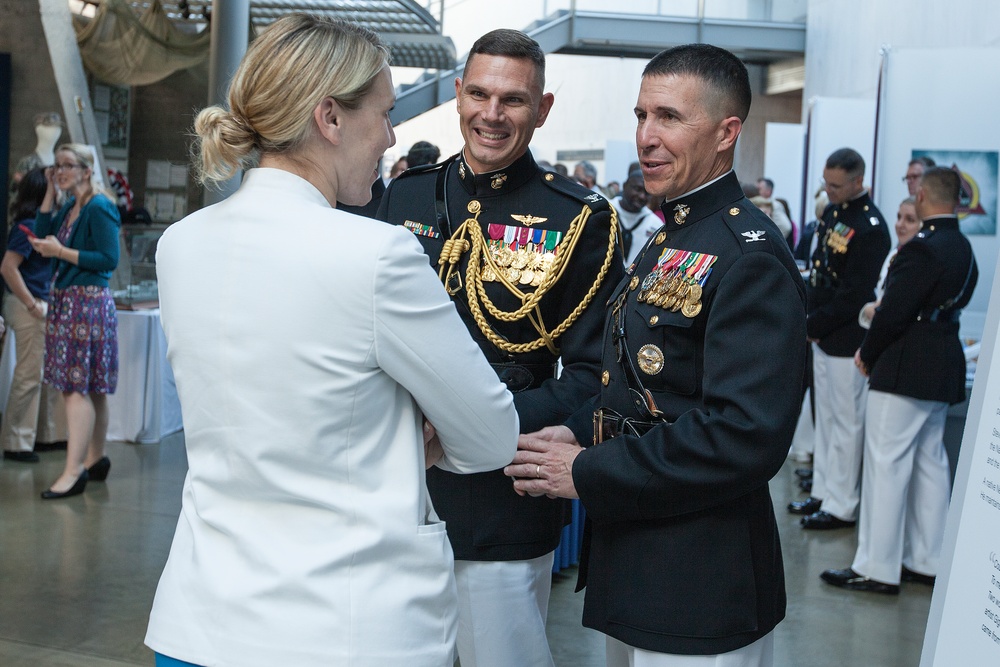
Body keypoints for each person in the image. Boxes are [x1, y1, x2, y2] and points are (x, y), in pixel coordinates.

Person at [144, 15, 519, 667]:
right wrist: (401, 440)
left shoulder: (180, 245)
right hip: (340, 630)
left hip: (198, 622)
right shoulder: (376, 254)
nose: (391, 135)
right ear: (330, 119)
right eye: (383, 112)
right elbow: (490, 435)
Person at [506, 43, 807, 666]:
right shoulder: (674, 234)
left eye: (670, 117)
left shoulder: (746, 254)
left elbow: (742, 435)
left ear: (727, 133)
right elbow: (640, 381)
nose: (647, 137)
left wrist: (585, 472)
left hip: (700, 579)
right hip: (638, 556)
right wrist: (572, 427)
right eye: (642, 116)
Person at [377, 28, 621, 667]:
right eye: (479, 93)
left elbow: (594, 372)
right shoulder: (405, 195)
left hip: (501, 492)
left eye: (513, 100)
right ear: (457, 94)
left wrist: (474, 425)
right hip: (395, 482)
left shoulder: (579, 218)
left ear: (541, 110)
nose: (491, 114)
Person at [822, 166, 977, 594]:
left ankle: (877, 566)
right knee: (931, 462)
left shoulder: (923, 247)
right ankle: (928, 559)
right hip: (942, 359)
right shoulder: (962, 246)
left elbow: (894, 310)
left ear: (924, 195)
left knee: (885, 465)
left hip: (906, 363)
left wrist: (867, 353)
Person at [791, 148, 890, 530]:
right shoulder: (833, 213)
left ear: (858, 182)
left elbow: (854, 293)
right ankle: (823, 491)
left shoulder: (870, 227)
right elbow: (821, 272)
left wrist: (814, 324)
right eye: (826, 183)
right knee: (826, 419)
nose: (828, 191)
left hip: (845, 336)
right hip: (821, 331)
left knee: (846, 423)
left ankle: (842, 504)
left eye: (836, 185)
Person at [30, 144, 120, 499]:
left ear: (87, 170)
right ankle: (96, 459)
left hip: (86, 303)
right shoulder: (72, 205)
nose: (60, 170)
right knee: (91, 388)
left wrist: (60, 252)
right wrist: (51, 191)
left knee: (75, 387)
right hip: (73, 301)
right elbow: (42, 230)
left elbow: (108, 259)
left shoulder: (99, 206)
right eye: (57, 166)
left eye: (68, 166)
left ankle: (73, 471)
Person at [1, 168, 63, 464]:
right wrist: (30, 304)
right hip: (28, 304)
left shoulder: (44, 225)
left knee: (46, 374)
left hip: (41, 301)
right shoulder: (27, 226)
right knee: (29, 373)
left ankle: (45, 435)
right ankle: (16, 441)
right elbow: (8, 268)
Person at [858, 197, 920, 329]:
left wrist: (872, 310)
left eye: (910, 220)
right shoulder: (895, 254)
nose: (900, 225)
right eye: (899, 217)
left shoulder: (918, 263)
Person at [615, 167, 661, 266]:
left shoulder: (655, 224)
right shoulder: (606, 211)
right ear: (625, 185)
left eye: (647, 193)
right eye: (637, 189)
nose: (642, 196)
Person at [756, 177, 793, 241]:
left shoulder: (775, 205)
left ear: (768, 191)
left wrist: (772, 240)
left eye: (759, 189)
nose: (757, 192)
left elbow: (786, 227)